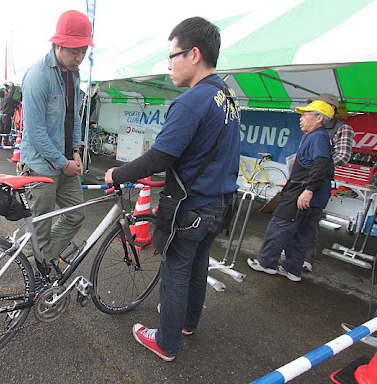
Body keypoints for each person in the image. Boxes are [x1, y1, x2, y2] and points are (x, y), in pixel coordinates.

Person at [104, 17, 240, 362]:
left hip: (190, 208)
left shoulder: (192, 101)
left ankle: (165, 341)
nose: (169, 66)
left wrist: (117, 174)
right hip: (219, 205)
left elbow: (159, 157)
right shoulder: (227, 98)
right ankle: (186, 324)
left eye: (172, 55)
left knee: (175, 272)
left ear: (193, 54)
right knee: (196, 267)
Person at [19, 10, 93, 274]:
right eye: (74, 50)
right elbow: (36, 132)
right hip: (41, 167)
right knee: (39, 228)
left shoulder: (74, 75)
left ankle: (42, 263)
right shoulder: (38, 75)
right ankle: (31, 284)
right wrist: (63, 163)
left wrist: (76, 152)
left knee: (76, 214)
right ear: (57, 44)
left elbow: (74, 118)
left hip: (65, 162)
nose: (79, 57)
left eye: (83, 50)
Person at [248, 100, 334, 282]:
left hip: (303, 192)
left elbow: (321, 163)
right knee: (302, 233)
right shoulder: (318, 136)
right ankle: (292, 269)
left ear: (319, 118)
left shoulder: (318, 137)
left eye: (305, 115)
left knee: (279, 226)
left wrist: (309, 190)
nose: (301, 119)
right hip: (313, 194)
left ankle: (266, 263)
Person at [301, 93, 354, 272]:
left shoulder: (342, 128)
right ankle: (291, 254)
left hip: (319, 181)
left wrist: (319, 165)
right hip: (302, 179)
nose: (310, 112)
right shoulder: (311, 127)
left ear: (328, 109)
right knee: (296, 217)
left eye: (316, 107)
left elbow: (343, 156)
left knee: (311, 220)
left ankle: (306, 259)